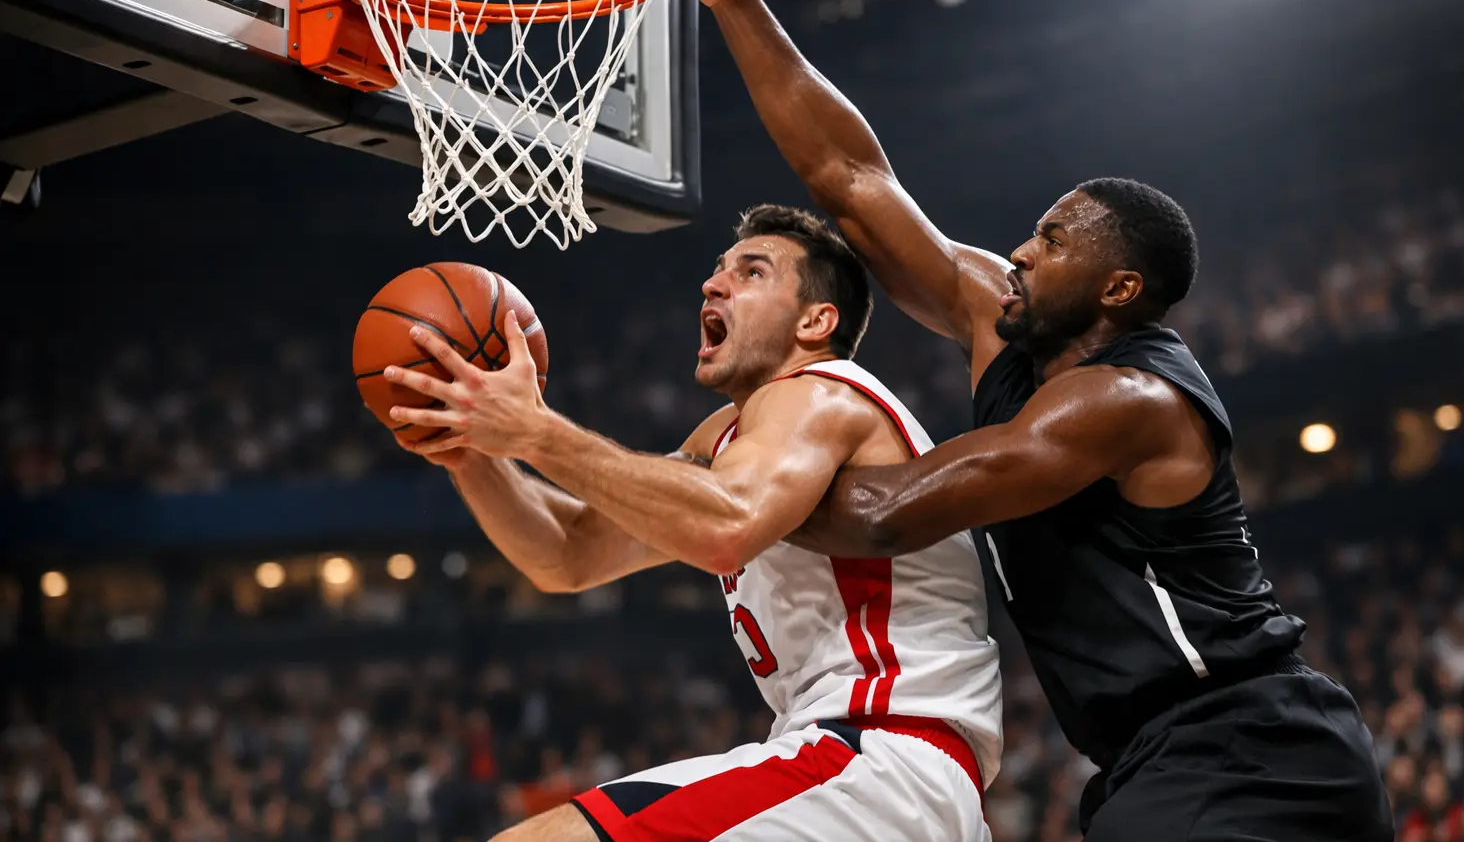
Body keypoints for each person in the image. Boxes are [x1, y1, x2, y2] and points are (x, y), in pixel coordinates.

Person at [639, 0, 1395, 842]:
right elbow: (851, 180)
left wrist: (741, 485)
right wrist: (734, 3)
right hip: (1150, 760)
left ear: (1118, 289)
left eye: (1050, 241)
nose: (1017, 251)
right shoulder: (1007, 323)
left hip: (1251, 743)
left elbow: (888, 513)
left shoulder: (1122, 401)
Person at [382, 205, 1001, 841]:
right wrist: (468, 452)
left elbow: (726, 527)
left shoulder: (822, 392)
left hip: (879, 757)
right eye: (717, 270)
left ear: (817, 321)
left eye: (752, 272)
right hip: (897, 780)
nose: (713, 284)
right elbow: (567, 554)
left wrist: (535, 433)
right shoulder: (729, 438)